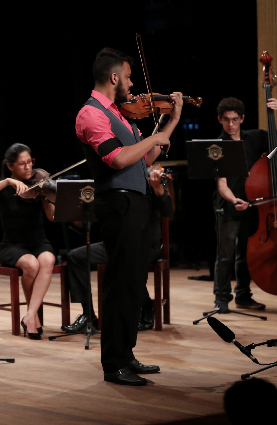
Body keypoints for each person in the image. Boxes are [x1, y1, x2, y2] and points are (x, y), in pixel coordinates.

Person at [75, 47, 181, 386]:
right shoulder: (91, 114)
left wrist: (171, 121)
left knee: (135, 283)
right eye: (129, 76)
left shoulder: (119, 115)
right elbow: (118, 160)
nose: (133, 83)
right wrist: (153, 135)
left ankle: (126, 353)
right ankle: (113, 364)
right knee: (119, 284)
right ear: (115, 77)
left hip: (135, 204)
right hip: (117, 204)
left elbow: (144, 159)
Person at [63, 165, 173, 333]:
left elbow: (168, 210)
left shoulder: (154, 180)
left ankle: (146, 305)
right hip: (117, 242)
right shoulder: (118, 183)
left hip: (146, 244)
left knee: (124, 258)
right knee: (76, 256)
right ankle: (89, 316)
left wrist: (158, 190)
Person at [212, 97, 277, 313]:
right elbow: (222, 184)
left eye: (235, 119)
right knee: (225, 255)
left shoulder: (254, 137)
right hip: (228, 205)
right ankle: (221, 298)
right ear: (220, 120)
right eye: (226, 120)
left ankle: (243, 295)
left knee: (245, 254)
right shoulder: (217, 147)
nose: (231, 124)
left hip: (254, 205)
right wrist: (233, 199)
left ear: (242, 118)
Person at [0, 143, 56, 339]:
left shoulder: (39, 186)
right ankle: (33, 318)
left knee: (47, 260)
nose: (28, 167)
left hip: (38, 242)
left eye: (30, 162)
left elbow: (52, 218)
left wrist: (51, 197)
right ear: (10, 166)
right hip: (12, 245)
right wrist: (7, 182)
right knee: (31, 264)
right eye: (22, 164)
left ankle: (30, 315)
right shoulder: (4, 189)